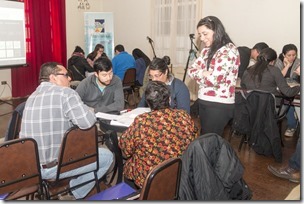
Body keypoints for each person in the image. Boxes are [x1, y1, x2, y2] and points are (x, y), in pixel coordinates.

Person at [19, 62, 113, 200]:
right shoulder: (65, 93)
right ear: (53, 78)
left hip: (31, 166)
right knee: (107, 156)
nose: (69, 78)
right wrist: (88, 111)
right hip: (52, 168)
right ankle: (75, 191)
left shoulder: (31, 97)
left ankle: (67, 187)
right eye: (66, 75)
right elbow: (87, 123)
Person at [119, 81, 197, 189]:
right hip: (178, 171)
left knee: (128, 164)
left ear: (148, 102)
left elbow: (126, 149)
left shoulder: (142, 121)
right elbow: (193, 140)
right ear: (169, 99)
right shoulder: (184, 116)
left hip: (149, 176)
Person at [187, 16, 240, 136]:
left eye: (205, 34)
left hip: (219, 103)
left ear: (216, 30)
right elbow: (191, 70)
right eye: (200, 35)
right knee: (205, 137)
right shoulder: (207, 50)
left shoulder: (229, 50)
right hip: (204, 99)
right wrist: (203, 73)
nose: (202, 38)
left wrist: (202, 74)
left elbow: (214, 79)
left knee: (210, 141)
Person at [275, 44, 300, 137]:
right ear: (284, 54)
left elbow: (297, 78)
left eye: (294, 55)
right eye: (289, 55)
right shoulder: (278, 62)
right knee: (286, 102)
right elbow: (278, 77)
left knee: (289, 102)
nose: (292, 57)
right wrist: (287, 66)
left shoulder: (298, 62)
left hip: (295, 89)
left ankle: (292, 125)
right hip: (281, 89)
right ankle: (292, 123)